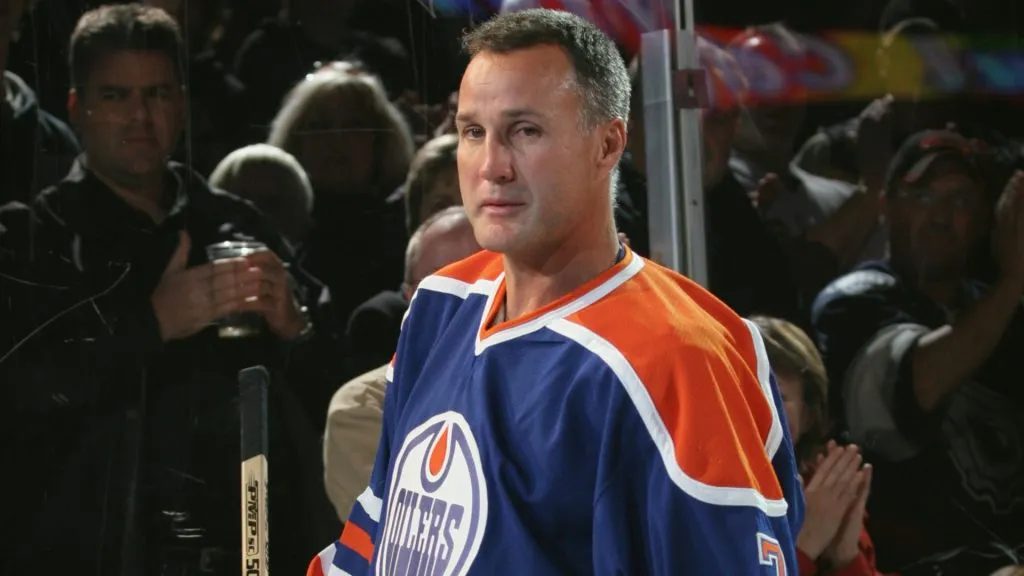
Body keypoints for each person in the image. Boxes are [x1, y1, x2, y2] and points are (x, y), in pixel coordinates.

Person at [308, 9, 803, 576]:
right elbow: (380, 538)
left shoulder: (679, 358)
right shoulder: (442, 302)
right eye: (473, 132)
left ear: (607, 145)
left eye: (525, 131)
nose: (492, 166)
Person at [0, 5, 337, 574]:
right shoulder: (32, 238)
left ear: (181, 104)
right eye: (116, 96)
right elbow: (21, 398)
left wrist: (296, 327)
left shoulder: (236, 225)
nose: (140, 116)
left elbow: (338, 384)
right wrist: (150, 323)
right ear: (77, 109)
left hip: (248, 548)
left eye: (156, 94)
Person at [812, 130, 1024, 574]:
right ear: (885, 206)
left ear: (986, 220)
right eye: (923, 195)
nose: (942, 215)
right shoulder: (854, 299)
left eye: (962, 201)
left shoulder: (1001, 307)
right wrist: (1013, 282)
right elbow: (914, 389)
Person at [751, 316, 889, 576]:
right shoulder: (698, 492)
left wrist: (846, 556)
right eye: (741, 391)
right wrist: (805, 545)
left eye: (776, 396)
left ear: (809, 416)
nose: (754, 408)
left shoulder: (825, 497)